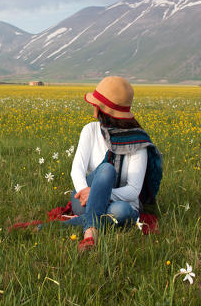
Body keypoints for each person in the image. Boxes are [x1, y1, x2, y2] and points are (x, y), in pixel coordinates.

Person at [63, 76, 155, 251]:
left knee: (121, 212)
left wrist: (99, 194)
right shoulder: (90, 130)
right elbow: (77, 169)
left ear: (102, 110)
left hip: (118, 203)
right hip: (83, 199)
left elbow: (134, 190)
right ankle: (92, 229)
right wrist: (86, 192)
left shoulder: (138, 143)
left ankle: (83, 227)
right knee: (106, 170)